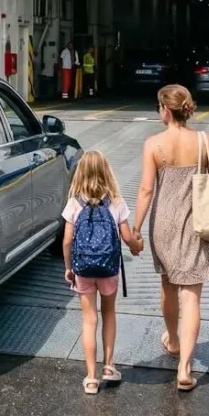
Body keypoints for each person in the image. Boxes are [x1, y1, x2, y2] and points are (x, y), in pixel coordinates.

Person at [133, 84, 209, 391]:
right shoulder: (204, 141)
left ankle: (172, 339)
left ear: (165, 109)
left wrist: (134, 228)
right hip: (197, 223)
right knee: (192, 296)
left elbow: (146, 190)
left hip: (164, 224)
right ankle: (185, 367)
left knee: (169, 285)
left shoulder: (153, 144)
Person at [61, 150, 144, 394]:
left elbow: (66, 240)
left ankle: (91, 377)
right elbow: (128, 238)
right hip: (108, 269)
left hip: (83, 269)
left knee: (89, 320)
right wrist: (138, 246)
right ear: (107, 172)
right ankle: (108, 366)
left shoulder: (75, 202)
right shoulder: (116, 201)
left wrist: (69, 268)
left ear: (81, 173)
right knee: (109, 314)